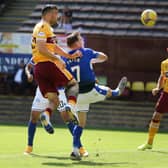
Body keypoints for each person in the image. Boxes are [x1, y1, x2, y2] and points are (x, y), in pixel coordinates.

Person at [25, 4, 81, 156]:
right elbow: (43, 49)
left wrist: (68, 56)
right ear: (49, 14)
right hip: (47, 65)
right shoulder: (43, 26)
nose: (58, 17)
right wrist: (57, 59)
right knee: (73, 83)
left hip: (41, 70)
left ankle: (47, 115)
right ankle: (70, 105)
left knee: (54, 100)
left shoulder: (46, 28)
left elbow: (53, 47)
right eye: (56, 14)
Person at [61, 32, 127, 160]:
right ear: (77, 42)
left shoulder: (64, 58)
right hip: (89, 90)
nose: (83, 41)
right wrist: (92, 60)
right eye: (81, 39)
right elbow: (104, 57)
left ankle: (75, 151)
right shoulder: (86, 51)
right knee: (108, 90)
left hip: (75, 95)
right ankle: (116, 92)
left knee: (80, 124)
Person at [138, 48, 168, 150]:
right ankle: (149, 143)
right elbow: (162, 76)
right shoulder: (164, 63)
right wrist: (158, 88)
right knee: (156, 116)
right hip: (166, 94)